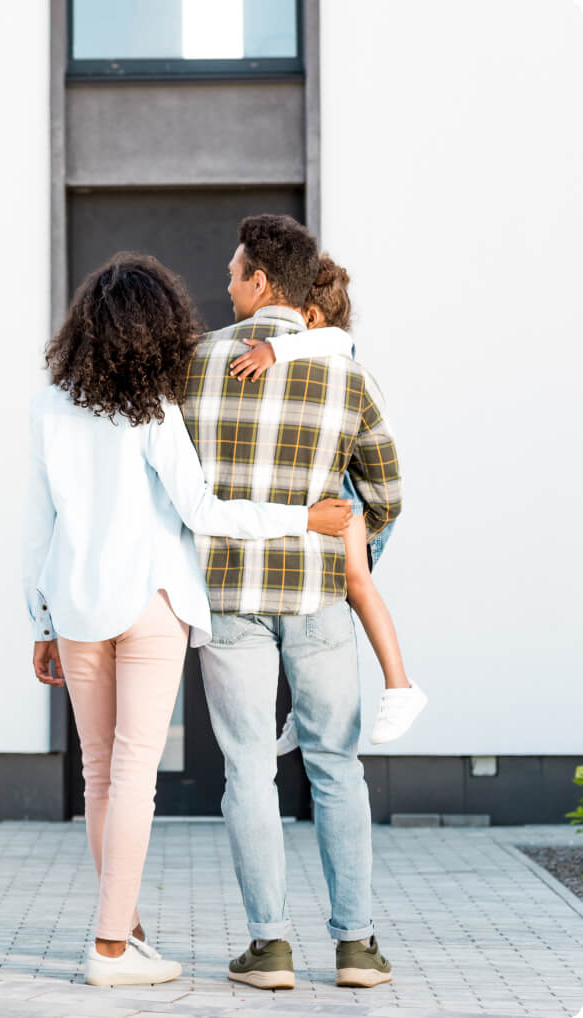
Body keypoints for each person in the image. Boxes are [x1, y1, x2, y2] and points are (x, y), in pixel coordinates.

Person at [22, 253, 354, 988]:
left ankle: (126, 929)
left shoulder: (50, 406)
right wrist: (302, 516)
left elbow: (35, 528)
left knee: (99, 775)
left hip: (74, 607)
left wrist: (41, 619)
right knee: (134, 775)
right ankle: (111, 948)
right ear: (157, 330)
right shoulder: (153, 410)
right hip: (150, 602)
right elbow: (203, 512)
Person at [182, 215, 402, 991]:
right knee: (337, 766)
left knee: (247, 770)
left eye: (236, 272)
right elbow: (386, 490)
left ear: (262, 283)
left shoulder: (195, 365)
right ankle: (356, 948)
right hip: (316, 596)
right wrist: (357, 560)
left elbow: (171, 487)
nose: (227, 284)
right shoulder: (350, 375)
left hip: (228, 596)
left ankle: (269, 948)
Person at [228, 255, 428, 748]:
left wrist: (274, 350)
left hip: (348, 496)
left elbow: (333, 340)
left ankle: (400, 686)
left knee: (355, 585)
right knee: (335, 602)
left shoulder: (331, 351)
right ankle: (307, 705)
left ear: (310, 318)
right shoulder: (321, 356)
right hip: (339, 496)